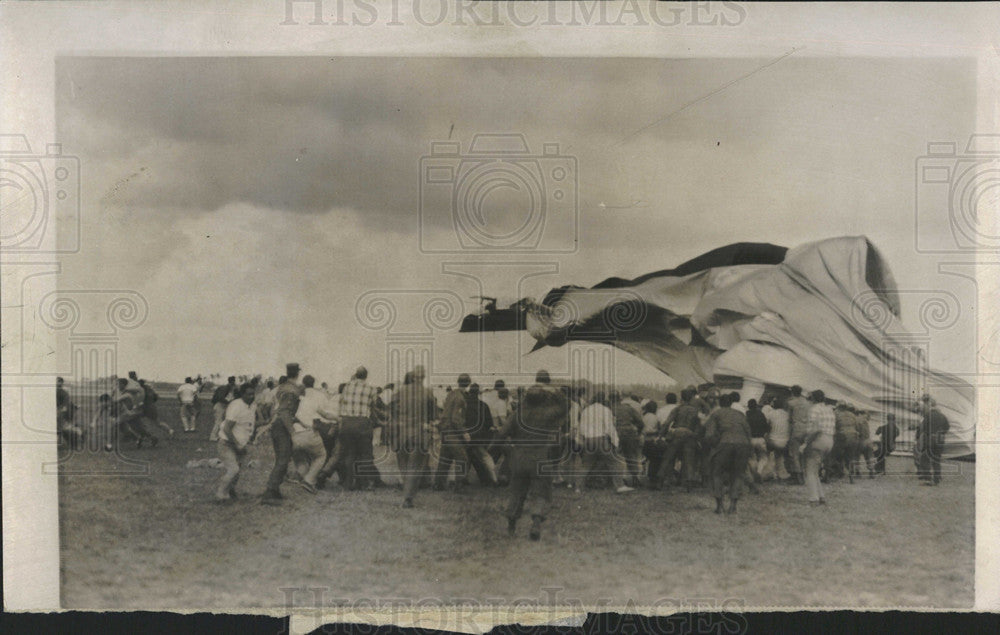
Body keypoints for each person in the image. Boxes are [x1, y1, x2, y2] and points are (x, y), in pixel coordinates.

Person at [500, 370, 567, 541]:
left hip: (520, 457)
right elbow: (566, 406)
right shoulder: (547, 413)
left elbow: (502, 433)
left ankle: (511, 527)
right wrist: (553, 390)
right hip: (540, 457)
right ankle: (536, 524)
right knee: (541, 493)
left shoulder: (518, 414)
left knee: (516, 492)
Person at [388, 365, 438, 508]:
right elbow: (434, 414)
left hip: (402, 433)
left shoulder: (401, 391)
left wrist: (398, 418)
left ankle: (407, 491)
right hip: (419, 433)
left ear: (413, 376)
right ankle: (408, 497)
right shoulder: (427, 393)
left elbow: (390, 406)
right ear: (423, 377)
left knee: (403, 464)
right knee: (415, 466)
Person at [261, 363, 305, 505]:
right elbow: (285, 412)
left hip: (278, 424)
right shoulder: (292, 389)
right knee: (283, 459)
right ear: (297, 374)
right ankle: (270, 491)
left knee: (283, 459)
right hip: (283, 425)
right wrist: (292, 432)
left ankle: (274, 490)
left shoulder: (281, 387)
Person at [703, 393, 751, 514]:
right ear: (731, 403)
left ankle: (719, 506)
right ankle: (733, 506)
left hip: (725, 443)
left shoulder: (716, 414)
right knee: (738, 474)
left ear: (720, 403)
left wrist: (715, 446)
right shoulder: (740, 414)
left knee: (717, 473)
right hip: (743, 444)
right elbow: (748, 432)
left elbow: (709, 435)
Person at [578, 393, 634, 494]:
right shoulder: (605, 410)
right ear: (603, 400)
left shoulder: (585, 410)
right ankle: (620, 486)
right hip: (601, 439)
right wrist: (615, 442)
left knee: (586, 464)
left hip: (588, 440)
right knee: (614, 462)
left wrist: (582, 440)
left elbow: (581, 427)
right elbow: (610, 428)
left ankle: (578, 487)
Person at [288, 375, 336, 493]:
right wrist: (337, 419)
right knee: (321, 455)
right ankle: (309, 480)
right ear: (314, 383)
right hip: (312, 430)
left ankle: (303, 476)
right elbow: (325, 415)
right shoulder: (318, 396)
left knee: (301, 457)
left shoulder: (293, 402)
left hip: (294, 435)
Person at [335, 366, 379, 491]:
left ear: (356, 374)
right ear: (366, 376)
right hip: (362, 423)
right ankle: (366, 483)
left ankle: (348, 483)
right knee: (366, 454)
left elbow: (341, 402)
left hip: (347, 423)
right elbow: (373, 406)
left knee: (349, 454)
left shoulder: (347, 387)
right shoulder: (371, 388)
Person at [215, 383, 260, 502]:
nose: (251, 396)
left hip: (240, 444)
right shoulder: (236, 405)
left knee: (238, 471)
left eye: (253, 394)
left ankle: (230, 491)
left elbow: (249, 423)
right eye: (248, 394)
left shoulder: (253, 406)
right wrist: (237, 444)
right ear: (242, 394)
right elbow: (227, 429)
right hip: (227, 443)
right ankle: (220, 494)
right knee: (233, 469)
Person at [655, 388, 702, 491]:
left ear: (682, 398)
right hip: (689, 434)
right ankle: (689, 483)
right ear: (691, 398)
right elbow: (699, 425)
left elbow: (667, 423)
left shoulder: (677, 409)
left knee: (668, 458)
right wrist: (696, 436)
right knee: (689, 459)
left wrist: (660, 435)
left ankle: (660, 481)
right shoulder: (695, 410)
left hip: (677, 434)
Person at [434, 373, 471, 490]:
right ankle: (459, 485)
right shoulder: (460, 398)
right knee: (462, 458)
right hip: (452, 431)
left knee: (445, 458)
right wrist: (464, 433)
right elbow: (456, 419)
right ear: (468, 383)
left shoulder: (451, 394)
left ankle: (438, 484)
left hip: (444, 430)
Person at [802, 390, 836, 506]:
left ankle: (813, 499)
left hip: (818, 439)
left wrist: (805, 443)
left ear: (813, 399)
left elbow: (815, 429)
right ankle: (821, 496)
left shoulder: (814, 409)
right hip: (829, 440)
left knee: (810, 470)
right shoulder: (830, 409)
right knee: (815, 470)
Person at [462, 384, 499, 486]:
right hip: (479, 437)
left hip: (466, 436)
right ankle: (494, 479)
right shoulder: (483, 405)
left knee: (465, 457)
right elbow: (489, 424)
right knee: (485, 457)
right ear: (479, 393)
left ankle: (462, 478)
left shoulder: (464, 405)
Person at [114, 377, 158, 448]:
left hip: (129, 414)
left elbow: (116, 401)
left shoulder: (126, 394)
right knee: (138, 429)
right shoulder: (124, 392)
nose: (117, 386)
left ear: (123, 384)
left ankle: (136, 439)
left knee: (116, 424)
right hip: (133, 413)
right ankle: (152, 438)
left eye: (118, 384)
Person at [612, 392, 645, 487]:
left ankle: (619, 479)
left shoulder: (610, 409)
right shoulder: (629, 408)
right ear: (620, 399)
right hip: (629, 433)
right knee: (631, 456)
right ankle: (635, 478)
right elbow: (640, 423)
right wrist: (637, 432)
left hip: (616, 433)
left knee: (616, 457)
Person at [916, 395, 950, 485]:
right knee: (936, 460)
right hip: (940, 440)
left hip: (930, 439)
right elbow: (947, 427)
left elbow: (923, 428)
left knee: (924, 458)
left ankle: (928, 478)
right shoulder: (943, 416)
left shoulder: (928, 415)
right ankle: (937, 478)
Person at [785, 385, 810, 485]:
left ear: (792, 392)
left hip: (797, 429)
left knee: (794, 453)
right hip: (807, 429)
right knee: (804, 453)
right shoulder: (808, 403)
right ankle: (805, 475)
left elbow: (789, 420)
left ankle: (798, 477)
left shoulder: (791, 403)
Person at [830, 403, 860, 483]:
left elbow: (833, 426)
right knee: (849, 458)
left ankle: (833, 474)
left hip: (842, 436)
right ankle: (851, 477)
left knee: (834, 455)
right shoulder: (852, 415)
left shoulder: (836, 414)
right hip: (853, 437)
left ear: (838, 407)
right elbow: (857, 427)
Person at [764, 395, 790, 481]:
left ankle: (767, 473)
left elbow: (767, 426)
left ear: (774, 405)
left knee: (767, 454)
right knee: (779, 456)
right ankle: (781, 474)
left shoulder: (771, 414)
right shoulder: (787, 415)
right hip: (785, 441)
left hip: (773, 440)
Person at [641, 399, 666, 483]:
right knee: (656, 460)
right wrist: (657, 432)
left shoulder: (644, 416)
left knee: (652, 460)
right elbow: (654, 430)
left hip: (643, 441)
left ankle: (650, 477)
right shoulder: (655, 417)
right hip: (651, 441)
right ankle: (653, 478)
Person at [745, 399, 769, 484]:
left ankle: (753, 473)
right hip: (760, 439)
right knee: (763, 458)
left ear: (748, 406)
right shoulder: (761, 414)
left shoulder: (746, 414)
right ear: (756, 406)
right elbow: (767, 427)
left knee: (751, 458)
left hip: (750, 439)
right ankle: (759, 471)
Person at [210, 376, 237, 441]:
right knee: (218, 421)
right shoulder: (225, 388)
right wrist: (228, 402)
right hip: (220, 405)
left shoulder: (226, 388)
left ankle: (218, 436)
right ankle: (213, 437)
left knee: (222, 421)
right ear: (232, 382)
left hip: (222, 405)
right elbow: (220, 398)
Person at [855, 409, 876, 479]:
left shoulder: (856, 420)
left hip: (860, 441)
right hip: (868, 441)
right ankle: (872, 471)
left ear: (858, 414)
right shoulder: (866, 420)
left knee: (856, 456)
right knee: (869, 456)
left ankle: (857, 472)